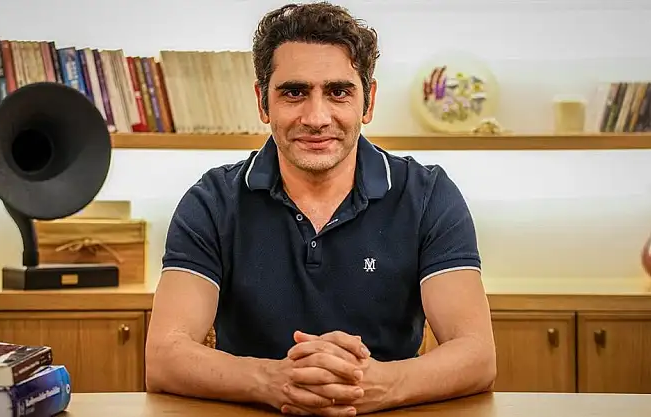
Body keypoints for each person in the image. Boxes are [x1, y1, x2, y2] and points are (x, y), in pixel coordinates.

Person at [145, 2, 496, 416]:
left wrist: (375, 385)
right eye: (294, 92)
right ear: (263, 103)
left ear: (368, 102)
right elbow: (164, 356)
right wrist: (273, 381)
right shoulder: (212, 201)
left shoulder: (428, 195)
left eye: (338, 92)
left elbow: (477, 354)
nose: (316, 117)